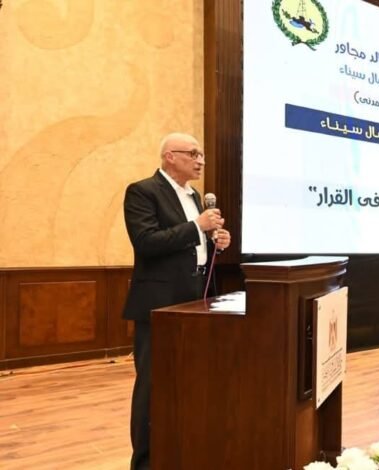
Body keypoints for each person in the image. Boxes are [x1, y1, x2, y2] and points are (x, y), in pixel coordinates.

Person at [122, 132, 231, 470]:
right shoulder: (143, 191)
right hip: (160, 302)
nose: (201, 161)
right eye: (193, 154)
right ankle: (145, 462)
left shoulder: (195, 195)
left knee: (190, 380)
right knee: (153, 385)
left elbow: (190, 246)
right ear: (170, 156)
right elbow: (146, 242)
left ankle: (181, 450)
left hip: (196, 298)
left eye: (201, 154)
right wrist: (197, 225)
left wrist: (214, 241)